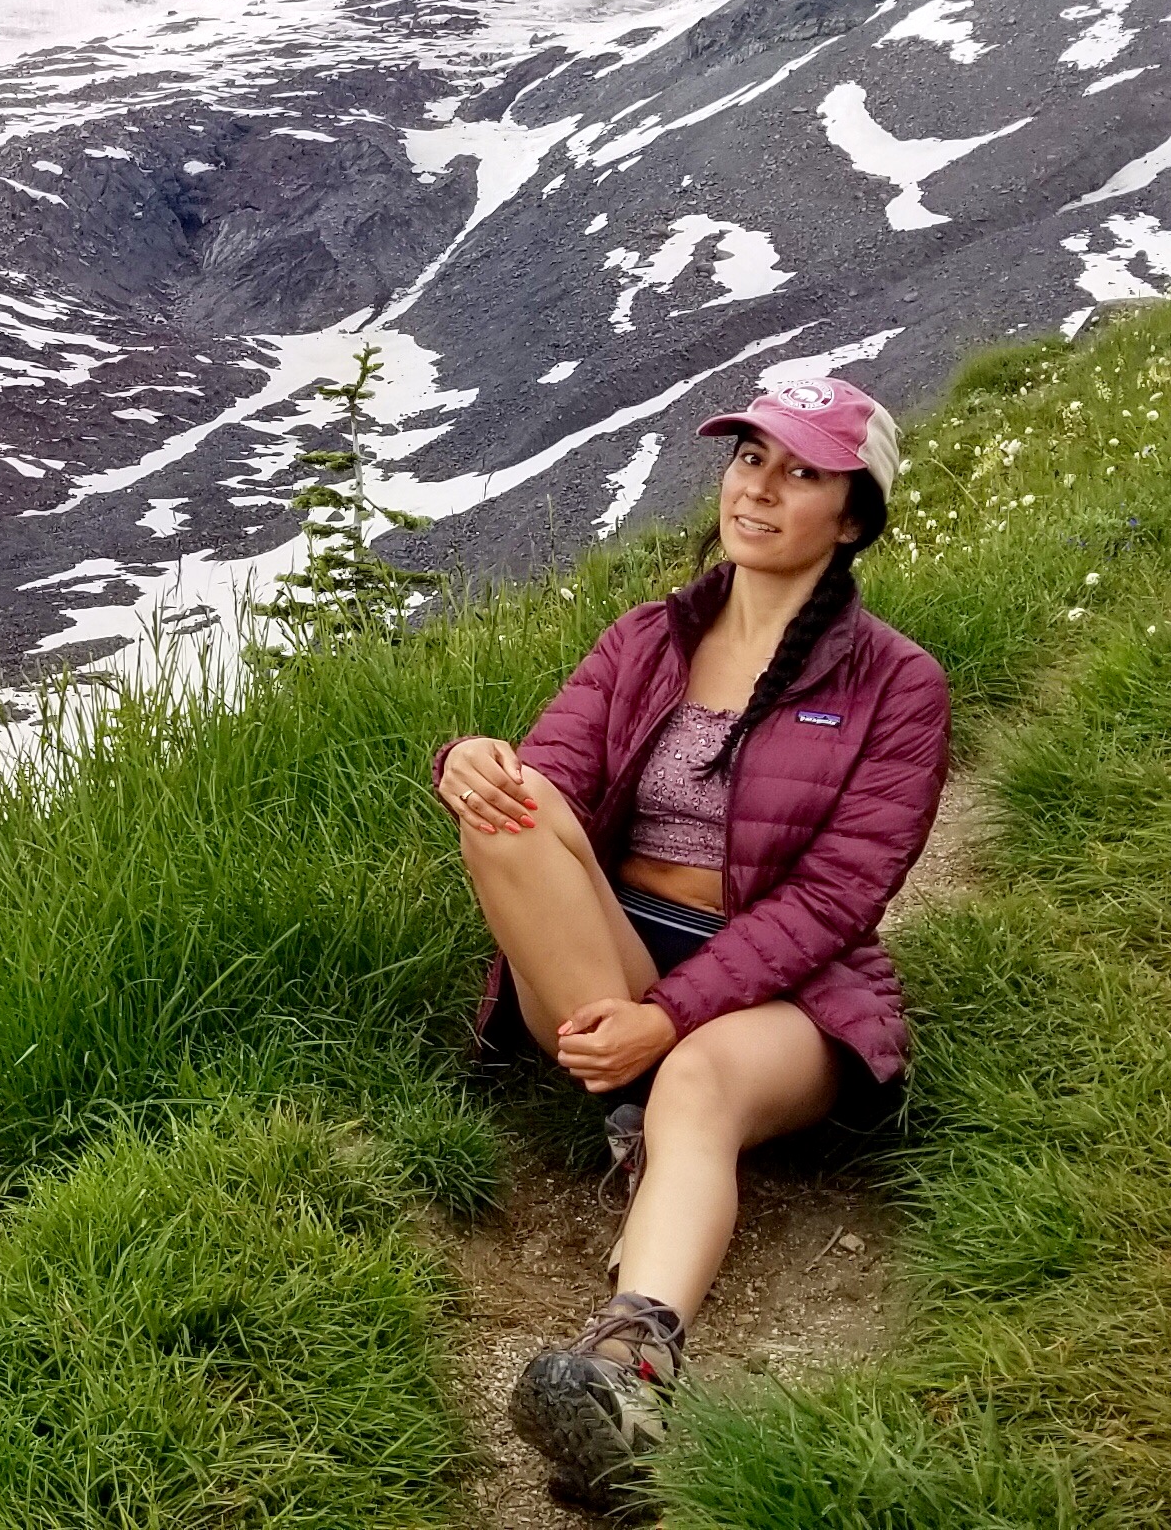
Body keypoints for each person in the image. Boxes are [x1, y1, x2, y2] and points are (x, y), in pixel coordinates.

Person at [429, 374, 948, 1501]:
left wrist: (669, 1014)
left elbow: (833, 904)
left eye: (801, 471)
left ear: (852, 517)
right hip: (611, 951)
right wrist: (472, 762)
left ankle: (629, 1369)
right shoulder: (650, 635)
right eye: (748, 457)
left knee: (699, 1075)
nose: (759, 488)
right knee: (506, 815)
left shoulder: (898, 683)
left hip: (783, 990)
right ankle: (634, 1107)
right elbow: (551, 780)